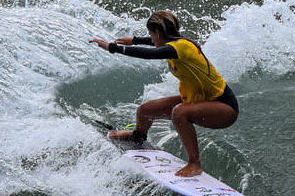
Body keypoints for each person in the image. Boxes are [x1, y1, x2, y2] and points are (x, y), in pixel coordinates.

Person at [89, 10, 238, 178]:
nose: (151, 39)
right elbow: (157, 45)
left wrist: (112, 47)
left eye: (151, 34)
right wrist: (134, 40)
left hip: (224, 107)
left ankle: (194, 164)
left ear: (158, 33)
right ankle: (138, 137)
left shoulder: (180, 47)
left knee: (179, 112)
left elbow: (150, 54)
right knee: (146, 110)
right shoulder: (178, 43)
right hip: (201, 100)